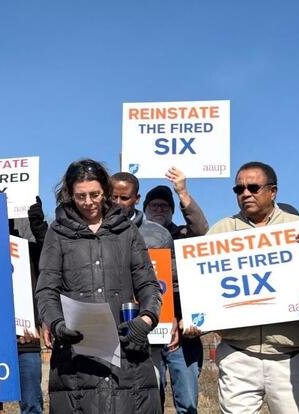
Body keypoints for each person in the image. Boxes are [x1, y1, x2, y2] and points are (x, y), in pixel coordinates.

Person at [36, 159, 162, 413]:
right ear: (69, 194)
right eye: (80, 196)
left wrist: (146, 319)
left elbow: (148, 283)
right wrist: (57, 324)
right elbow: (46, 289)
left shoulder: (127, 230)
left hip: (127, 348)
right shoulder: (57, 233)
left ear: (105, 191)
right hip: (75, 357)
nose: (88, 202)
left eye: (94, 194)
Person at [208, 161, 299, 413]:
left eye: (253, 187)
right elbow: (204, 286)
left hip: (291, 357)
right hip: (237, 355)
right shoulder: (220, 230)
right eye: (239, 189)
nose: (245, 193)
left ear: (273, 191)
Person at [111, 172, 184, 412]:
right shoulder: (92, 229)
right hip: (108, 327)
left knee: (150, 390)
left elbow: (170, 283)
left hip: (147, 329)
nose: (117, 203)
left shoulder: (159, 234)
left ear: (136, 198)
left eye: (124, 198)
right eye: (113, 197)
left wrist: (172, 317)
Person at [143, 167, 208, 413]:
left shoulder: (183, 236)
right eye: (154, 205)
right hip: (147, 329)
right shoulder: (133, 237)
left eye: (164, 206)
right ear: (145, 208)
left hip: (183, 331)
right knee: (151, 398)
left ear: (172, 210)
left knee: (188, 401)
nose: (159, 209)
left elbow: (201, 231)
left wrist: (182, 192)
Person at [10, 197, 48, 414]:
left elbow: (52, 255)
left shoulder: (28, 249)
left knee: (32, 406)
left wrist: (39, 226)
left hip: (25, 340)